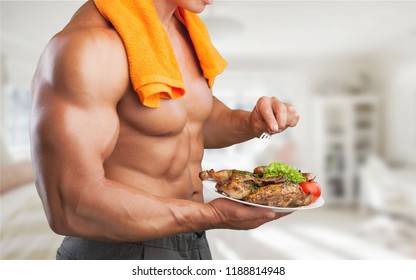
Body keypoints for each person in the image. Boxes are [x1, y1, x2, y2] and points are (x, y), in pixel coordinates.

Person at [30, 0, 300, 260]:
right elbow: (70, 206)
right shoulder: (88, 46)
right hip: (117, 250)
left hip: (191, 239)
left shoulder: (183, 31)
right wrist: (214, 216)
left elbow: (190, 121)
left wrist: (250, 123)